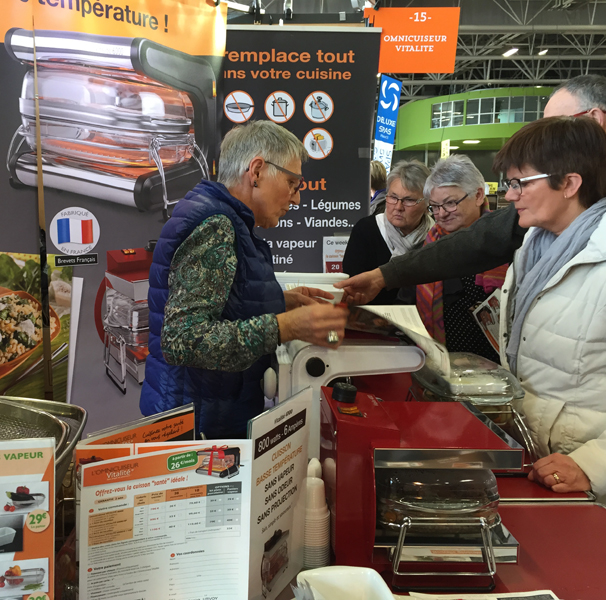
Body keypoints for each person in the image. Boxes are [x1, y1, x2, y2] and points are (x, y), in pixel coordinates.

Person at [140, 121, 348, 439]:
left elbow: (224, 301)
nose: (296, 199)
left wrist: (281, 302)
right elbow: (184, 340)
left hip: (207, 414)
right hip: (198, 428)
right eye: (292, 183)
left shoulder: (222, 217)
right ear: (257, 171)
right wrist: (286, 327)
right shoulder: (216, 225)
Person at [335, 74, 606, 305]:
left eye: (556, 126)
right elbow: (478, 241)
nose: (511, 196)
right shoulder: (534, 228)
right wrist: (385, 275)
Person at [493, 116, 606, 499]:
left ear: (570, 184)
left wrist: (593, 464)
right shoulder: (534, 250)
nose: (510, 196)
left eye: (520, 183)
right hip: (538, 465)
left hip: (586, 485)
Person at [416, 155, 507, 362]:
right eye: (435, 207)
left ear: (478, 195)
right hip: (445, 364)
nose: (441, 214)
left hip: (498, 365)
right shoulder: (431, 245)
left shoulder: (505, 243)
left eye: (450, 203)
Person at [342, 160, 433, 305]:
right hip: (372, 322)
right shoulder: (366, 230)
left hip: (425, 323)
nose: (398, 207)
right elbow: (353, 285)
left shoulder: (436, 237)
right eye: (393, 197)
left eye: (408, 200)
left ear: (427, 201)